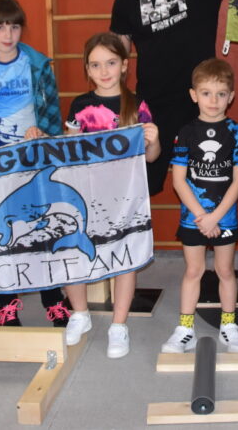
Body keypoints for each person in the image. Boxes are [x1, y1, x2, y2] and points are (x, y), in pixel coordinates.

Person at [0, 0, 69, 329]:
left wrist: (44, 137)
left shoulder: (37, 65)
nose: (8, 34)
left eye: (15, 27)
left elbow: (52, 116)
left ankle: (53, 298)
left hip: (31, 158)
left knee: (42, 227)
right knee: (1, 232)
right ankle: (6, 303)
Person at [109, 0, 231, 196]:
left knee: (207, 187)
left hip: (202, 105)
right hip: (153, 108)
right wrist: (115, 105)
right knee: (141, 189)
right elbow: (116, 57)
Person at [63, 32, 161, 358]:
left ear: (124, 66)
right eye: (95, 65)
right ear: (87, 69)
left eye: (110, 63)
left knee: (124, 259)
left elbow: (151, 157)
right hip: (87, 195)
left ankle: (119, 325)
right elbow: (67, 151)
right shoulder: (80, 105)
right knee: (76, 252)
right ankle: (80, 313)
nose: (104, 71)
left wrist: (154, 139)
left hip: (126, 198)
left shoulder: (137, 105)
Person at [163, 58, 238, 355]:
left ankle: (229, 325)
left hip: (225, 218)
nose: (213, 101)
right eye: (206, 93)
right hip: (194, 218)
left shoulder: (237, 133)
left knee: (225, 270)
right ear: (194, 95)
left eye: (220, 94)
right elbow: (179, 181)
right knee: (194, 270)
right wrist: (202, 216)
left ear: (231, 96)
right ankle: (185, 328)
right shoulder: (186, 132)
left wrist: (216, 217)